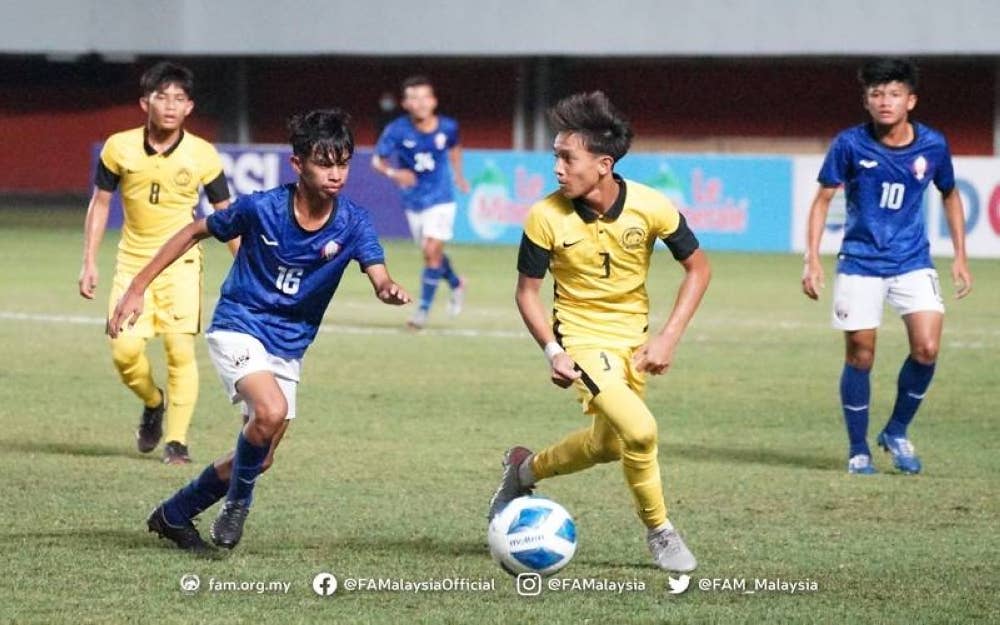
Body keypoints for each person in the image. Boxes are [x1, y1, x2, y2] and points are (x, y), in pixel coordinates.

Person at [108, 109, 411, 551]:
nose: (336, 174)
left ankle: (173, 514)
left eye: (342, 163)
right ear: (297, 164)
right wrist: (137, 287)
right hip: (239, 324)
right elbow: (194, 230)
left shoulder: (354, 222)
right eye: (324, 163)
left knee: (261, 456)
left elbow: (378, 272)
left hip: (289, 344)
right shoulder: (261, 208)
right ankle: (237, 505)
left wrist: (386, 289)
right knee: (267, 413)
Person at [488, 92, 711, 573]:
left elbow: (699, 268)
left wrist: (668, 336)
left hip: (633, 341)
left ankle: (524, 470)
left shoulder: (652, 207)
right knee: (642, 430)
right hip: (583, 341)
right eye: (556, 158)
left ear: (604, 164)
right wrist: (552, 350)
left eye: (568, 158)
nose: (558, 169)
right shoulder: (545, 216)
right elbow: (527, 292)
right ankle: (661, 532)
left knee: (609, 445)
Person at [802, 58, 972, 475]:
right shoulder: (849, 145)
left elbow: (949, 194)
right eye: (876, 94)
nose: (884, 101)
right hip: (860, 263)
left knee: (928, 347)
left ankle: (896, 430)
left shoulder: (933, 145)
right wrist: (812, 259)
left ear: (910, 100)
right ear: (866, 100)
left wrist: (961, 257)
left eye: (894, 93)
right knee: (861, 355)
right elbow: (823, 200)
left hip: (912, 260)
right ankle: (858, 448)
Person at [79, 61, 232, 465]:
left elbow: (226, 212)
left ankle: (177, 442)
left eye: (179, 98)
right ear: (145, 102)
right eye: (162, 97)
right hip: (131, 267)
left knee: (181, 350)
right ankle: (153, 401)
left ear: (190, 108)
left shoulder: (202, 154)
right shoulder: (119, 147)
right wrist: (89, 261)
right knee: (124, 352)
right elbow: (101, 203)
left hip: (181, 267)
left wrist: (246, 264)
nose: (170, 105)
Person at [371, 75, 470, 329]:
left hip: (441, 197)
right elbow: (377, 161)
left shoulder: (448, 127)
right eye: (413, 98)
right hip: (413, 200)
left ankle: (421, 312)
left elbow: (455, 147)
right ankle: (457, 282)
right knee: (431, 254)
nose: (420, 103)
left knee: (430, 251)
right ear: (405, 104)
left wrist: (459, 175)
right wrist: (394, 174)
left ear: (434, 101)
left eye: (425, 97)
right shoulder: (396, 130)